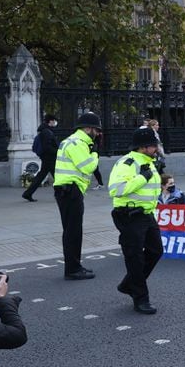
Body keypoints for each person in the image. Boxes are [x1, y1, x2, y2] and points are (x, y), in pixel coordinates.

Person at [108, 128, 164, 314]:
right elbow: (116, 189)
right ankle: (141, 298)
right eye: (154, 145)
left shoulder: (148, 161)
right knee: (135, 258)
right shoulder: (128, 162)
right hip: (130, 215)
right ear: (143, 147)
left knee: (156, 251)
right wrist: (143, 177)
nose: (156, 148)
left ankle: (129, 284)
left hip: (146, 215)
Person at [53, 111, 102, 280]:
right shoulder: (78, 142)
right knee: (73, 231)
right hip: (70, 191)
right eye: (96, 130)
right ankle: (73, 269)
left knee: (71, 230)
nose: (98, 133)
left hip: (67, 190)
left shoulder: (72, 141)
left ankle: (74, 266)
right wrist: (95, 153)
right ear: (88, 129)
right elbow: (87, 167)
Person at [22, 113, 59, 202]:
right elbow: (47, 146)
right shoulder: (46, 131)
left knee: (41, 176)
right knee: (58, 177)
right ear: (50, 121)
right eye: (54, 121)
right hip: (49, 158)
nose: (55, 123)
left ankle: (28, 193)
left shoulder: (45, 130)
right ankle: (59, 194)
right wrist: (57, 151)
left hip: (46, 158)